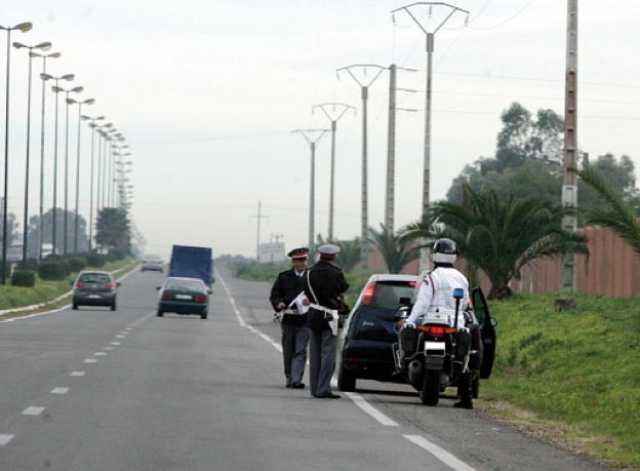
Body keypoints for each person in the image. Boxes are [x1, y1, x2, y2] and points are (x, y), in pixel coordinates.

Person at [402, 238, 475, 409]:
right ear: (454, 257)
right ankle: (466, 397)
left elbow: (422, 303)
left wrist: (410, 321)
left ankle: (404, 364)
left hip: (431, 320)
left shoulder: (432, 277)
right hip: (454, 324)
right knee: (464, 358)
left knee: (411, 348)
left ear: (434, 255)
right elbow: (464, 304)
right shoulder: (462, 279)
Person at [303, 244, 349, 399]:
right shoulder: (336, 273)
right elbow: (343, 288)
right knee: (328, 354)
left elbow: (305, 292)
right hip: (329, 316)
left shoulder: (309, 273)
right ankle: (323, 389)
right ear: (333, 256)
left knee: (314, 354)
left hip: (313, 314)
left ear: (320, 255)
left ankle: (314, 389)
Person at [269, 247, 310, 389]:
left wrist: (310, 301)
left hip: (305, 320)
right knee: (288, 350)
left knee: (300, 350)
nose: (301, 263)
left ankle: (296, 379)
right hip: (288, 320)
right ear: (293, 262)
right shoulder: (284, 277)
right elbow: (274, 295)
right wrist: (278, 303)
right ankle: (289, 376)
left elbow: (319, 295)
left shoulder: (312, 277)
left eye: (303, 260)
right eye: (298, 260)